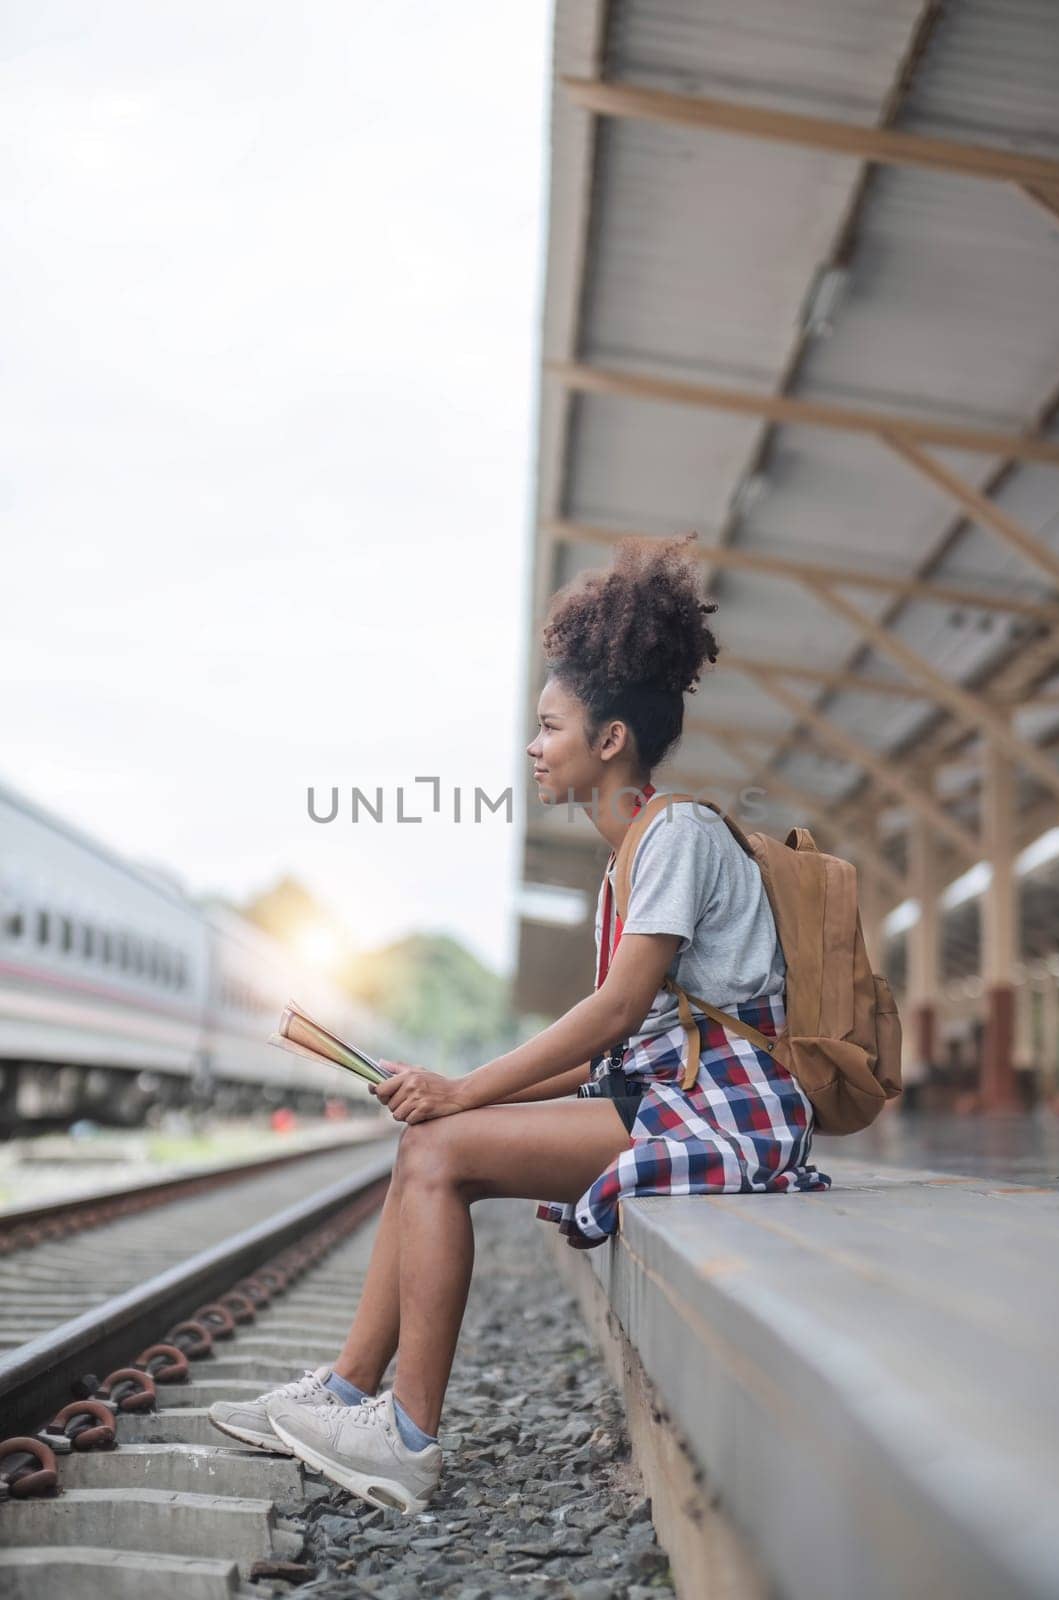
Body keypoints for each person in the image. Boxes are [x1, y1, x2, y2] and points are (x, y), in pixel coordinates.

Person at [209, 534, 831, 1514]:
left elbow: (614, 1013)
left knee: (438, 1153)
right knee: (431, 1136)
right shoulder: (632, 853)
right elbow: (607, 1057)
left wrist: (463, 1090)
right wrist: (439, 1090)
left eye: (548, 727)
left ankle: (405, 1437)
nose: (533, 748)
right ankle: (341, 1394)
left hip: (724, 1118)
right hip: (672, 1101)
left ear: (608, 740)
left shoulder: (673, 836)